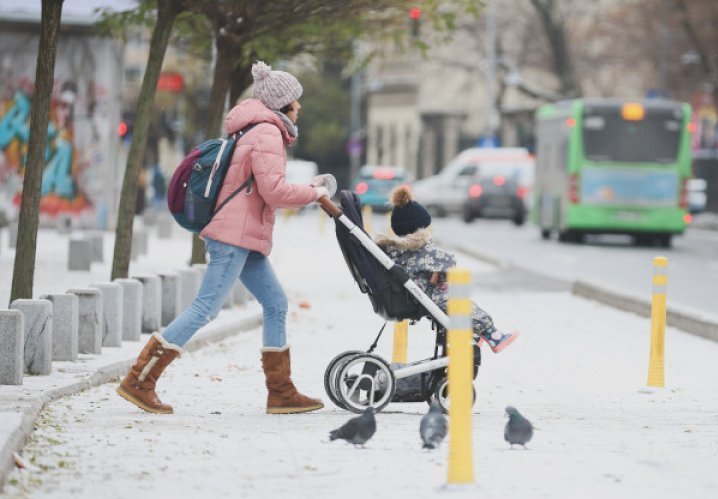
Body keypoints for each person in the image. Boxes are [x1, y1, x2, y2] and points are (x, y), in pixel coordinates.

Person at [117, 61, 336, 415]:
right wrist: (313, 191)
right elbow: (275, 191)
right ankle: (140, 380)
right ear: (283, 104)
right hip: (234, 236)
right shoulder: (267, 133)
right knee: (205, 309)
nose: (301, 107)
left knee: (276, 304)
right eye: (297, 100)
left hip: (244, 237)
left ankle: (280, 392)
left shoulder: (258, 129)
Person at [376, 186, 518, 352]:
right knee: (459, 302)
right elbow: (449, 262)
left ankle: (473, 333)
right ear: (420, 228)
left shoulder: (395, 250)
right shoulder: (419, 249)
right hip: (425, 296)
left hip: (411, 293)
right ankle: (492, 334)